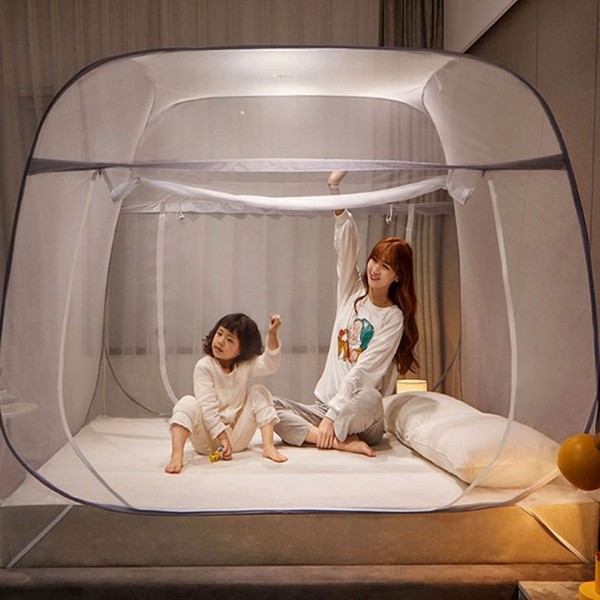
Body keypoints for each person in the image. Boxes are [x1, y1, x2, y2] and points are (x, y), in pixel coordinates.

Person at [273, 171, 419, 457]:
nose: (375, 269)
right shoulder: (353, 292)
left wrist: (332, 416)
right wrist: (334, 189)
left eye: (386, 266)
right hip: (324, 407)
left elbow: (364, 371)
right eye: (374, 260)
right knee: (267, 407)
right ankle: (339, 442)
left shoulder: (392, 317)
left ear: (398, 276)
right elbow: (346, 244)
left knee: (371, 396)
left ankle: (325, 432)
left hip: (361, 415)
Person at [165, 312, 287, 473]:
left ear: (240, 350)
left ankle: (268, 446)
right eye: (219, 333)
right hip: (206, 440)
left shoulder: (244, 366)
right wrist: (222, 438)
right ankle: (176, 455)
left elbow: (269, 364)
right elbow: (208, 409)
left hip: (235, 439)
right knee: (187, 402)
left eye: (229, 340)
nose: (220, 341)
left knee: (259, 391)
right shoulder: (204, 366)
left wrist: (272, 334)